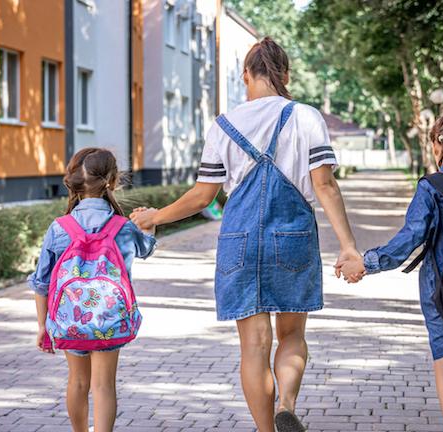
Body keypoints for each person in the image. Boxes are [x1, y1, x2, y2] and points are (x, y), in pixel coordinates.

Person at [130, 37, 359, 432]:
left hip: (238, 240)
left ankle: (267, 430)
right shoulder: (305, 116)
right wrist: (348, 246)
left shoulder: (223, 125)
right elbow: (324, 185)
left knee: (253, 348)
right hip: (293, 236)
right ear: (286, 75)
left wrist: (154, 218)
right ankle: (285, 404)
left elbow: (203, 195)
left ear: (246, 76)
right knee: (291, 336)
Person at [338, 113, 443, 432]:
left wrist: (366, 262)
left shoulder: (432, 186)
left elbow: (410, 237)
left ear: (438, 144)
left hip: (440, 285)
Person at [28, 148, 156, 432]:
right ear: (112, 181)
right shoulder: (122, 226)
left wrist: (42, 326)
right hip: (109, 320)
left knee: (77, 382)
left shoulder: (60, 227)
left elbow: (42, 282)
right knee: (103, 386)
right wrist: (149, 224)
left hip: (69, 320)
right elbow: (146, 248)